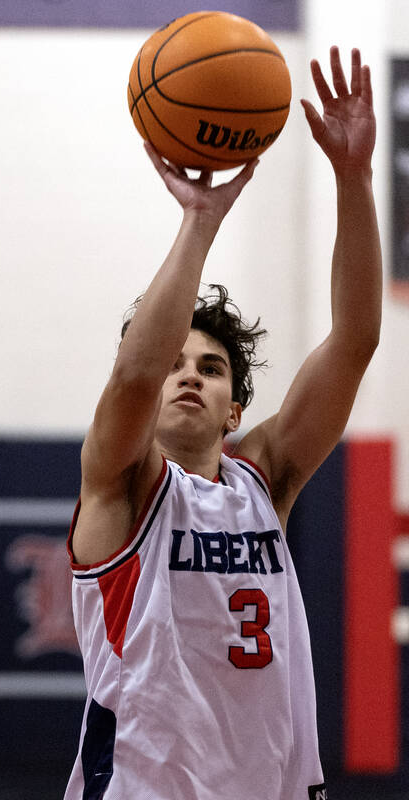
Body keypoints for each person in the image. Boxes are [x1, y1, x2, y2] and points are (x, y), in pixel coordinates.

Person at [64, 46, 381, 800]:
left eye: (210, 369)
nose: (187, 376)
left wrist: (352, 178)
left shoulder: (262, 480)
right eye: (178, 361)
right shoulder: (121, 486)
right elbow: (134, 375)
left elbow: (356, 339)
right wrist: (200, 220)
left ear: (234, 409)